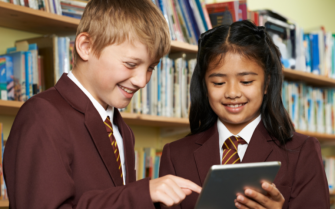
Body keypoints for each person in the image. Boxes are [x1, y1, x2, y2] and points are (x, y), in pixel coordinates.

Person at [3, 0, 201, 208]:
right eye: (130, 64)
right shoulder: (43, 115)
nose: (142, 81)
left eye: (151, 67)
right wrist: (142, 193)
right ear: (86, 47)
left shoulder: (121, 129)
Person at [159, 20, 329, 209]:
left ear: (266, 84)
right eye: (218, 83)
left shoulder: (302, 152)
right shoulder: (175, 155)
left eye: (246, 81)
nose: (232, 93)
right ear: (205, 86)